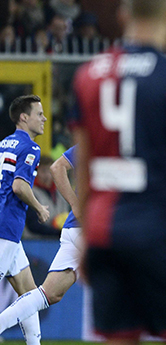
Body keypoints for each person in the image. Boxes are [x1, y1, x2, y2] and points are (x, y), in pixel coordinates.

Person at [69, 1, 166, 344]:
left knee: (119, 337)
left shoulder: (87, 75)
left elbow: (85, 164)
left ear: (123, 14)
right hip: (157, 231)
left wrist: (85, 234)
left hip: (105, 234)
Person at [0, 145, 81, 334]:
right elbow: (56, 167)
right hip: (94, 227)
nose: (44, 118)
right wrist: (76, 205)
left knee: (49, 293)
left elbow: (57, 167)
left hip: (74, 228)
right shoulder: (115, 143)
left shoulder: (92, 139)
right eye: (39, 113)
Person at [0, 94, 49, 345]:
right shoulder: (30, 147)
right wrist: (40, 207)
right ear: (23, 117)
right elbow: (19, 186)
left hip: (9, 231)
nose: (44, 118)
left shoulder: (3, 143)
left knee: (29, 294)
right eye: (39, 114)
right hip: (5, 229)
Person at [24, 155, 69, 239]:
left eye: (50, 171)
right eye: (44, 171)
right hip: (34, 243)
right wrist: (58, 233)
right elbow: (33, 225)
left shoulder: (61, 193)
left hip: (58, 241)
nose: (48, 175)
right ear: (36, 172)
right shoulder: (30, 192)